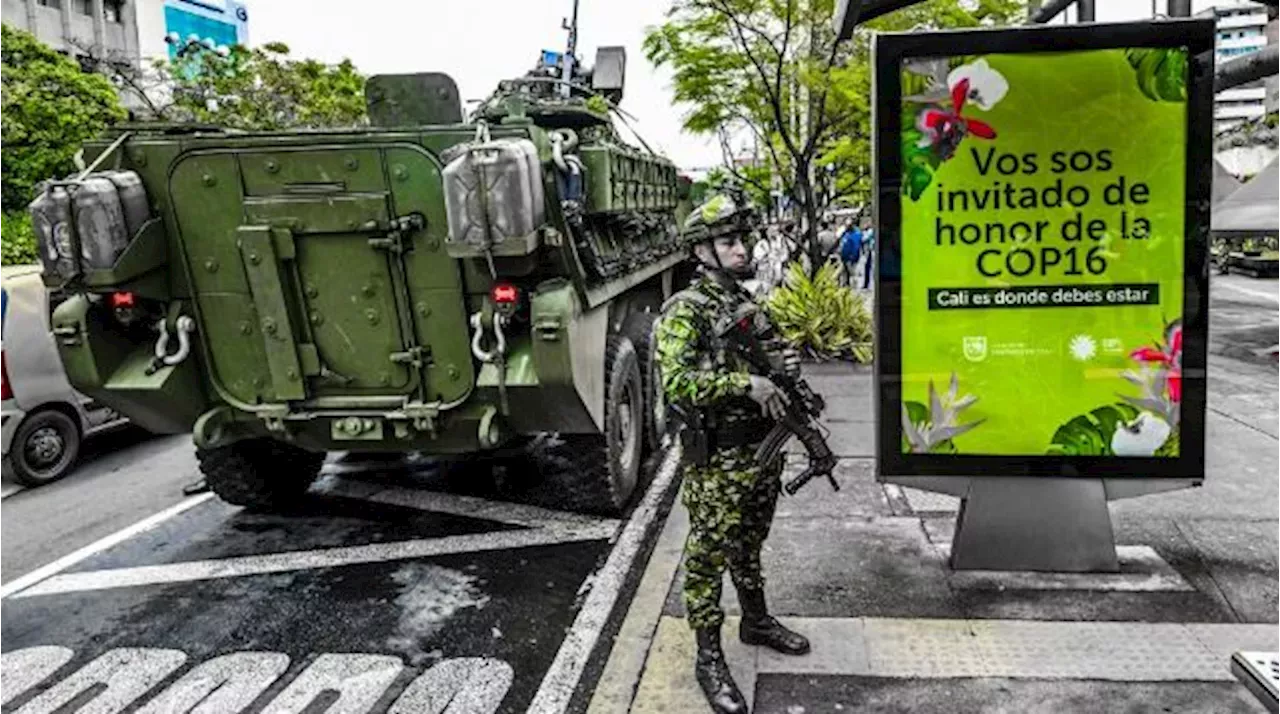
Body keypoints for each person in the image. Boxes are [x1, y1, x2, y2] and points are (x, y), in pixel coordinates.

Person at [656, 195, 810, 714]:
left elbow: (773, 357)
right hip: (718, 459)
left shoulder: (744, 303)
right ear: (702, 250)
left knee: (749, 542)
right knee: (706, 557)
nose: (742, 249)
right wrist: (745, 384)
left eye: (742, 239)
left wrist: (785, 365)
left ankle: (756, 620)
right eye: (729, 242)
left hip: (760, 451)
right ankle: (708, 657)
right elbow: (675, 380)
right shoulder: (687, 310)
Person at [839, 222, 863, 287]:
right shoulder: (846, 234)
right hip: (845, 257)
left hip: (851, 258)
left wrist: (852, 257)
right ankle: (846, 285)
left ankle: (854, 286)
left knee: (852, 273)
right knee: (845, 273)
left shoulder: (855, 235)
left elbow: (856, 247)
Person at [861, 222, 876, 290]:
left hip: (870, 252)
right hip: (869, 252)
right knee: (868, 268)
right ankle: (867, 284)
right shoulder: (870, 231)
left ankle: (868, 285)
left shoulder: (870, 231)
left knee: (870, 268)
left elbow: (864, 239)